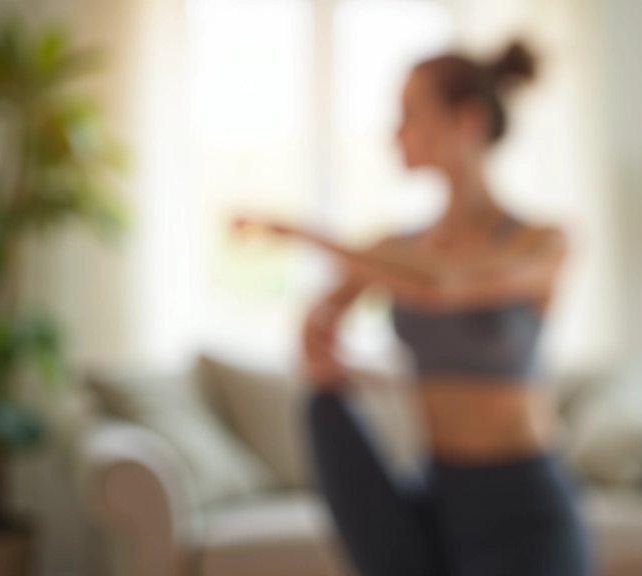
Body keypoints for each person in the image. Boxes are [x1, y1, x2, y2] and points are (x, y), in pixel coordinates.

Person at [233, 39, 592, 576]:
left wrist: (301, 234)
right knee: (320, 410)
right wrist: (318, 334)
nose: (395, 132)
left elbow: (442, 286)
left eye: (409, 114)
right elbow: (322, 313)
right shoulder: (396, 249)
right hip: (440, 494)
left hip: (525, 504)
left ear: (465, 121)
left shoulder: (540, 242)